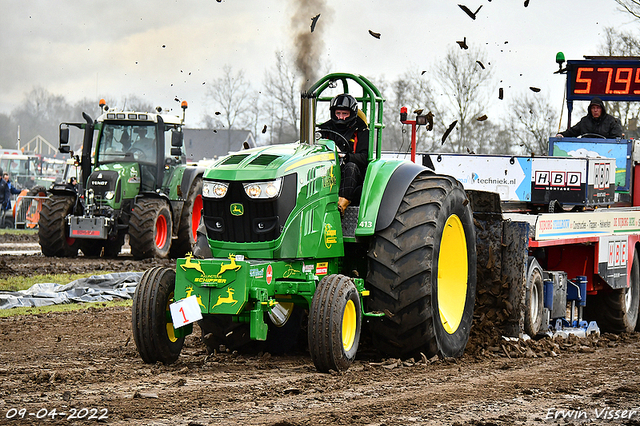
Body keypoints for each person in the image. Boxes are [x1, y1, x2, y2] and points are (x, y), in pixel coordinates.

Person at [318, 94, 369, 214]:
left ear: (352, 113)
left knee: (350, 167)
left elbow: (364, 157)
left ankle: (340, 206)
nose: (341, 117)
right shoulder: (325, 129)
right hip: (329, 167)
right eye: (338, 113)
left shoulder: (361, 131)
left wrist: (346, 156)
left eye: (345, 114)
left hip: (354, 174)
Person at [556, 97, 623, 139]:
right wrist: (562, 135)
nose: (595, 110)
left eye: (598, 108)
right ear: (590, 109)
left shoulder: (611, 121)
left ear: (602, 109)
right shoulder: (585, 121)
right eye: (593, 108)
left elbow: (616, 138)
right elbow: (573, 131)